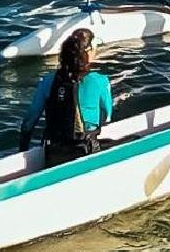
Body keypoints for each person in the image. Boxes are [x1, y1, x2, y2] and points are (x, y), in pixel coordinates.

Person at [17, 29, 114, 165]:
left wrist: (22, 152)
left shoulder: (47, 81)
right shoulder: (100, 81)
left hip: (54, 152)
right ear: (88, 52)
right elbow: (108, 116)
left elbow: (28, 124)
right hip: (87, 151)